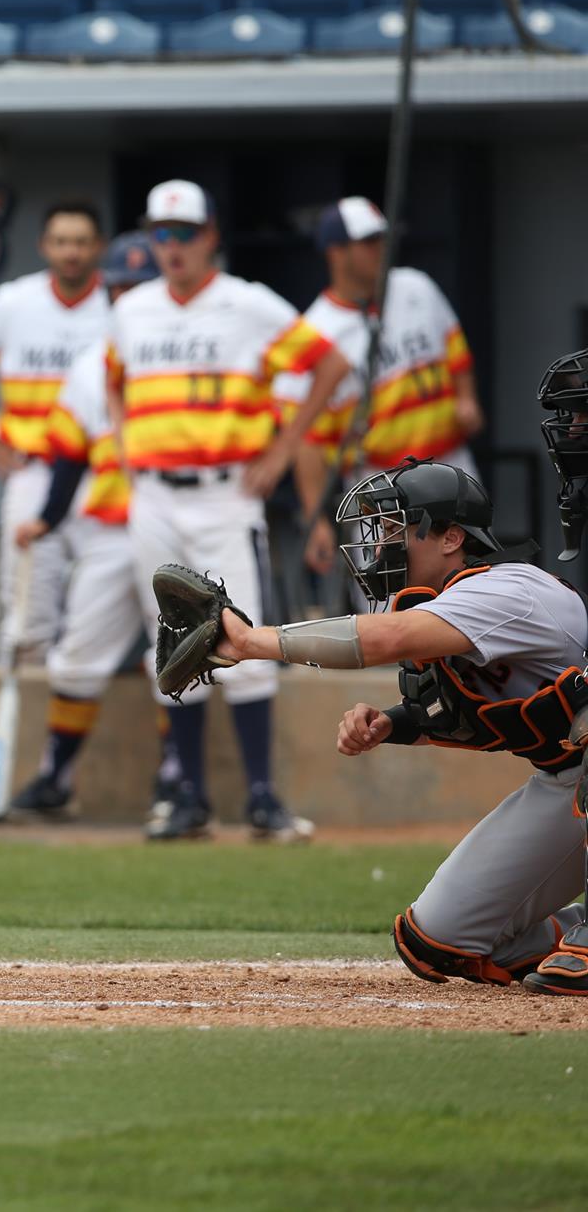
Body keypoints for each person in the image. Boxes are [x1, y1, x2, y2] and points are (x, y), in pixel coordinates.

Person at [201, 458, 587, 994]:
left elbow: (386, 640)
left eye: (395, 530)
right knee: (438, 940)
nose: (381, 547)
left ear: (451, 537)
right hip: (566, 781)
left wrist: (250, 643)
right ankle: (574, 931)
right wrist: (391, 724)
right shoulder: (454, 607)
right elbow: (484, 718)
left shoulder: (508, 588)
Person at [108, 180, 351, 841]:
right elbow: (112, 383)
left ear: (211, 235)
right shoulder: (132, 309)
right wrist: (126, 447)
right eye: (161, 232)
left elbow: (330, 365)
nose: (173, 246)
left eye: (185, 233)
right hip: (156, 491)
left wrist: (285, 447)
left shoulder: (247, 303)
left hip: (225, 493)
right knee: (170, 639)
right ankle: (187, 795)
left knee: (241, 632)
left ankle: (263, 797)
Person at [5, 231, 164, 817]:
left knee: (175, 657)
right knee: (76, 656)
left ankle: (178, 778)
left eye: (139, 286)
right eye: (121, 285)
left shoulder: (178, 359)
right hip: (109, 533)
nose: (129, 296)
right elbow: (69, 455)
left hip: (174, 525)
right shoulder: (91, 367)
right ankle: (56, 778)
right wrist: (45, 520)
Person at [289, 197, 485, 582]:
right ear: (336, 252)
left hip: (450, 461)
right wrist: (316, 520)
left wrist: (467, 400)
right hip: (379, 478)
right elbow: (308, 440)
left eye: (383, 238)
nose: (382, 248)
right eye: (369, 241)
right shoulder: (315, 332)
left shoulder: (416, 286)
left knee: (474, 579)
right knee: (391, 596)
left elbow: (455, 350)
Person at [0, 201, 111, 666]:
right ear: (44, 246)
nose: (72, 252)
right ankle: (28, 711)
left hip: (99, 474)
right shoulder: (13, 301)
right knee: (26, 603)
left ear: (97, 248)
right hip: (32, 467)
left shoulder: (119, 304)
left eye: (82, 242)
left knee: (103, 600)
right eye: (62, 241)